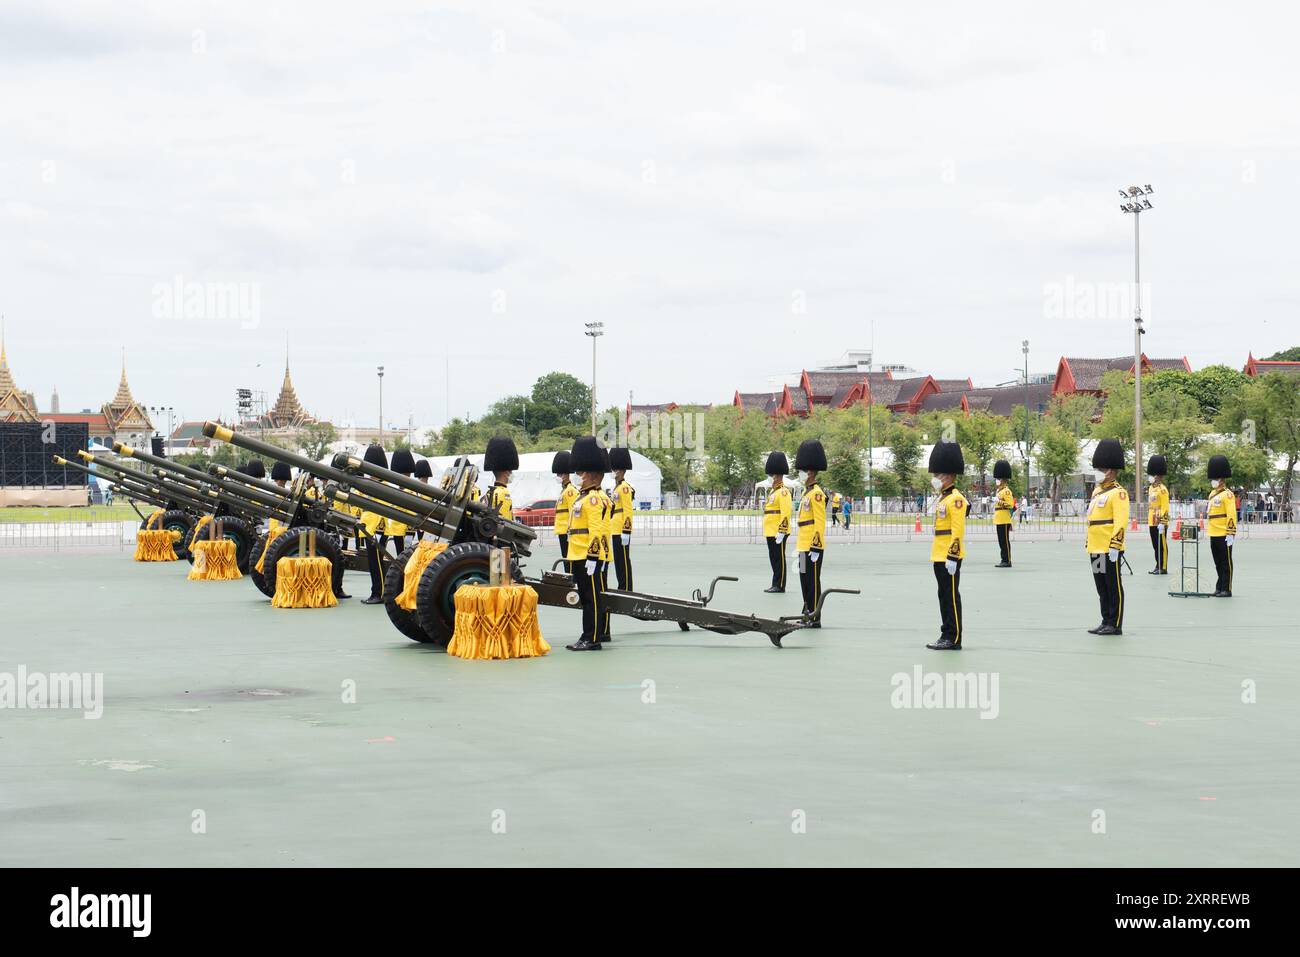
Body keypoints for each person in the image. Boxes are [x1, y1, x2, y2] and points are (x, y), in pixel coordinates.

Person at [565, 437, 608, 651]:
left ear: (592, 475)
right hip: (578, 553)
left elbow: (596, 529)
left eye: (582, 473)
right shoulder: (584, 496)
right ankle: (588, 635)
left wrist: (593, 556)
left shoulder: (593, 499)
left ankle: (592, 638)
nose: (579, 477)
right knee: (586, 598)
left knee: (591, 599)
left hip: (587, 555)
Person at [926, 440, 968, 651]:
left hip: (949, 556)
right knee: (943, 596)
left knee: (951, 596)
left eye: (938, 475)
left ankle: (954, 637)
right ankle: (945, 633)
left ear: (949, 475)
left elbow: (957, 530)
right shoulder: (944, 498)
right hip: (938, 554)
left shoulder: (956, 499)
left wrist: (953, 555)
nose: (935, 479)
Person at [1086, 439, 1129, 636]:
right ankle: (1105, 620)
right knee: (1101, 586)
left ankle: (1115, 623)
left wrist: (1115, 545)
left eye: (1101, 469)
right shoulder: (1097, 491)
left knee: (1113, 586)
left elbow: (1120, 521)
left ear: (1110, 470)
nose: (1098, 472)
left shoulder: (1119, 493)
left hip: (1108, 548)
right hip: (1095, 548)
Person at [794, 439, 828, 625]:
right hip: (802, 545)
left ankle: (814, 616)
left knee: (812, 582)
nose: (800, 474)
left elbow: (820, 522)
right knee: (804, 580)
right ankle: (806, 610)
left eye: (802, 471)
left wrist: (816, 544)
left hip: (812, 546)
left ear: (810, 472)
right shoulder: (806, 493)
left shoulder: (816, 494)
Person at [358, 443, 390, 604]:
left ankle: (379, 593)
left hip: (377, 528)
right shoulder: (370, 484)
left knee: (376, 561)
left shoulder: (382, 486)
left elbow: (381, 510)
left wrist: (376, 530)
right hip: (368, 528)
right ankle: (376, 591)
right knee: (372, 562)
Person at [1206, 454, 1236, 597]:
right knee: (1217, 563)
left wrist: (1231, 532)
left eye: (1215, 479)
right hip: (1213, 532)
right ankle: (1219, 586)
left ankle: (1227, 588)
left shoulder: (1228, 495)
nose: (1213, 481)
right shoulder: (1212, 494)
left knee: (1226, 563)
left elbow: (1231, 514)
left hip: (1224, 533)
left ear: (1221, 479)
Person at [762, 451, 792, 593]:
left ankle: (779, 584)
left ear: (778, 475)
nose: (772, 477)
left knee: (779, 559)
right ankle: (775, 582)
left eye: (774, 475)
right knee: (774, 558)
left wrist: (782, 530)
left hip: (778, 531)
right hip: (770, 530)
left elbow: (785, 513)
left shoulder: (783, 492)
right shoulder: (773, 492)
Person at [609, 446, 636, 591]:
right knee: (618, 560)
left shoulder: (624, 488)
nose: (613, 472)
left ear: (622, 470)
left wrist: (626, 530)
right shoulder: (616, 487)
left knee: (623, 559)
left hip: (621, 528)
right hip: (614, 527)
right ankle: (622, 585)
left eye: (616, 470)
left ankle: (626, 587)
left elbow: (628, 510)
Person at [385, 448, 417, 556]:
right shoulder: (401, 489)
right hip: (396, 528)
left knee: (404, 556)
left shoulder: (411, 490)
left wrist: (409, 530)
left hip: (405, 528)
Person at [552, 450, 577, 566]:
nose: (558, 476)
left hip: (567, 531)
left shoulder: (570, 491)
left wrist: (569, 530)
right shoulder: (564, 490)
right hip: (562, 531)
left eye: (560, 474)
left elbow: (572, 511)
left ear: (566, 474)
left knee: (568, 561)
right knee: (565, 559)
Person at [483, 437, 517, 521]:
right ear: (506, 473)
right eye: (511, 471)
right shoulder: (503, 493)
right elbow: (504, 520)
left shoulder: (490, 492)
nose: (512, 473)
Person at [1147, 454, 1170, 575]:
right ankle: (1157, 564)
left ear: (1157, 475)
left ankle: (1163, 566)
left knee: (1162, 545)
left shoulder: (1162, 489)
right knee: (1155, 545)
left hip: (1160, 520)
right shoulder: (1151, 488)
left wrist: (1163, 522)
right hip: (1152, 519)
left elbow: (1165, 507)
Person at [992, 459, 1015, 567]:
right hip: (999, 519)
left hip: (1004, 519)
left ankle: (1007, 560)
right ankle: (1003, 559)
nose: (996, 480)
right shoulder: (999, 491)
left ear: (1002, 480)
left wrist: (999, 501)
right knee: (1001, 542)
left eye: (998, 478)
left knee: (1005, 541)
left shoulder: (1006, 491)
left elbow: (1010, 504)